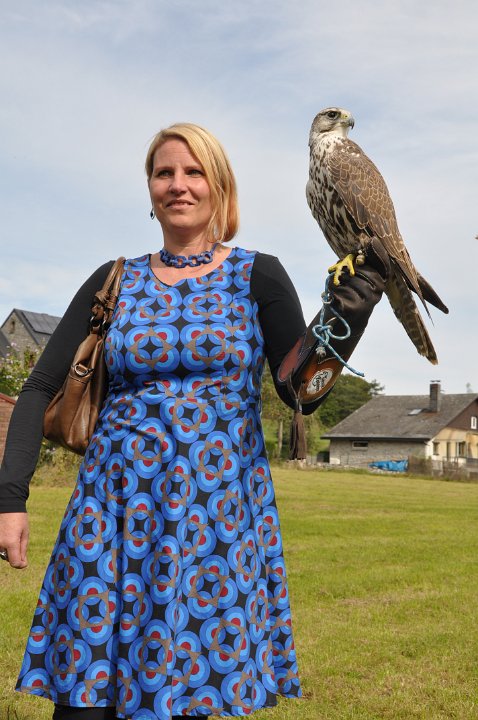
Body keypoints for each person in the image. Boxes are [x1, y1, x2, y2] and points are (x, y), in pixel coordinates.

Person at [0, 123, 389, 720]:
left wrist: (348, 317)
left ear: (220, 187)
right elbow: (40, 388)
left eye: (193, 172)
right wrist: (10, 501)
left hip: (214, 523)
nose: (178, 185)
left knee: (186, 698)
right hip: (109, 515)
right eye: (164, 173)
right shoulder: (115, 278)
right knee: (84, 702)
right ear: (150, 189)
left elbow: (300, 391)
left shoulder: (258, 274)